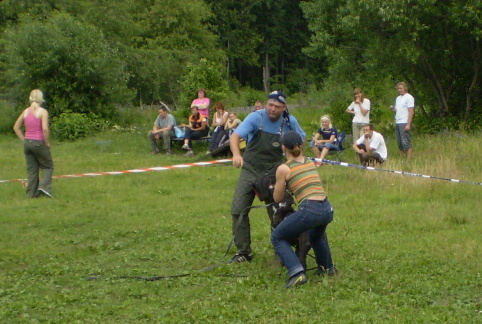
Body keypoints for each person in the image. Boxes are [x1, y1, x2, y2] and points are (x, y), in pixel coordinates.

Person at [228, 91, 306, 263]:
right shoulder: (256, 118)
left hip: (274, 171)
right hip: (250, 169)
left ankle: (281, 250)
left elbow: (301, 140)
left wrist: (294, 159)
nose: (272, 109)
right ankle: (243, 251)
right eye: (270, 104)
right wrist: (236, 154)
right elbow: (235, 137)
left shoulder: (289, 122)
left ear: (284, 108)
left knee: (280, 211)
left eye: (277, 106)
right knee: (238, 209)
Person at [272, 131, 335, 288]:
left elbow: (277, 198)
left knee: (278, 237)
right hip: (327, 208)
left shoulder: (283, 168)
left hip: (310, 209)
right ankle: (327, 268)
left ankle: (296, 272)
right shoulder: (309, 161)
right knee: (316, 237)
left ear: (283, 147)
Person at [13, 89, 54, 198]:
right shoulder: (43, 112)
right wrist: (47, 142)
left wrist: (24, 140)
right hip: (39, 142)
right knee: (48, 167)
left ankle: (30, 194)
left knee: (32, 170)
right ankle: (44, 188)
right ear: (41, 99)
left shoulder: (25, 112)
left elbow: (16, 127)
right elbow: (45, 129)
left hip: (27, 143)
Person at [390, 81, 415, 159]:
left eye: (401, 88)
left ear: (405, 88)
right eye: (398, 88)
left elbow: (411, 111)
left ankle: (409, 158)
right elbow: (397, 110)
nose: (399, 90)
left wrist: (408, 124)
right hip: (398, 121)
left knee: (406, 141)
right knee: (399, 142)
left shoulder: (409, 97)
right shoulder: (398, 98)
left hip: (404, 122)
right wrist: (393, 109)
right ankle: (402, 158)